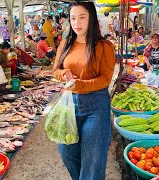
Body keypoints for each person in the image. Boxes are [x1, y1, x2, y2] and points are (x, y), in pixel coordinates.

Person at [53, 2, 116, 179]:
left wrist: (80, 84)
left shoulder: (104, 46)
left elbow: (105, 80)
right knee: (66, 151)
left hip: (96, 105)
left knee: (93, 159)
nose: (77, 23)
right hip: (69, 104)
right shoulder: (65, 43)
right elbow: (55, 70)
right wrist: (63, 73)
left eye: (82, 17)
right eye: (73, 18)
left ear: (92, 19)